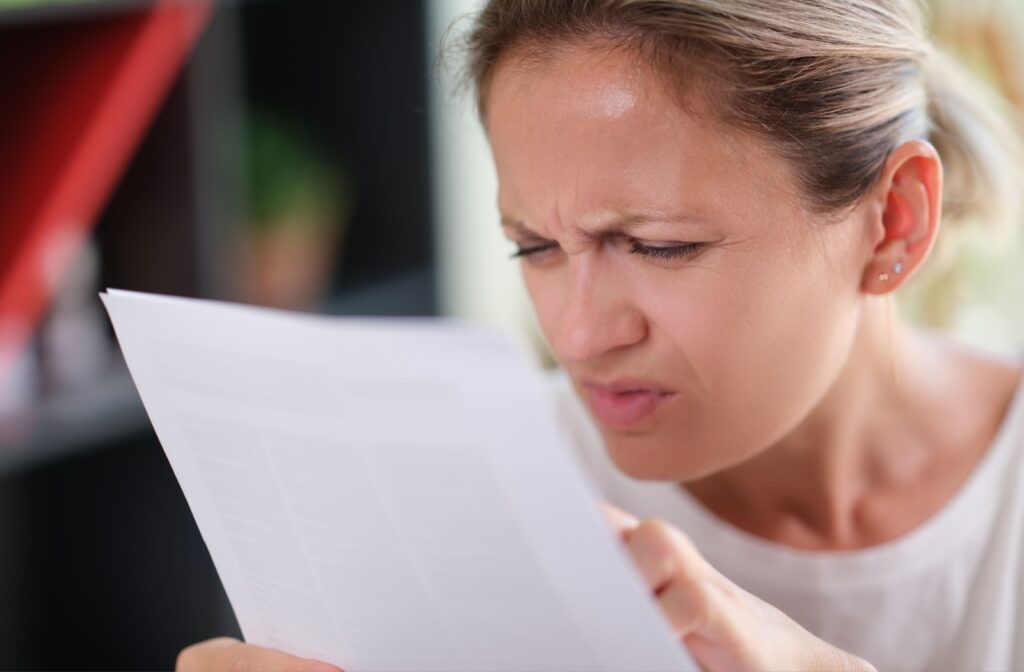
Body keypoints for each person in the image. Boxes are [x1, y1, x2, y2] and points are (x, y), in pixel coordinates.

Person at [176, 1, 1024, 670]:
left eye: (660, 246)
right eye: (534, 246)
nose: (576, 336)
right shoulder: (472, 493)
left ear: (894, 225)